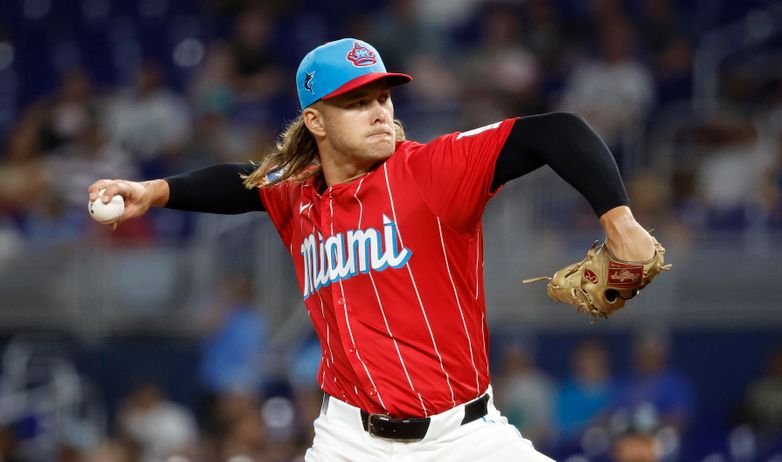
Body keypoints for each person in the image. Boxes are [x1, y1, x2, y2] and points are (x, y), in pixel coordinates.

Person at [89, 38, 658, 461]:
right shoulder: (297, 197)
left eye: (383, 96)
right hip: (348, 441)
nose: (381, 111)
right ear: (315, 120)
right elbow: (239, 183)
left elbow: (556, 130)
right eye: (358, 102)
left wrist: (619, 218)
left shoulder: (431, 171)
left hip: (465, 438)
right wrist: (154, 192)